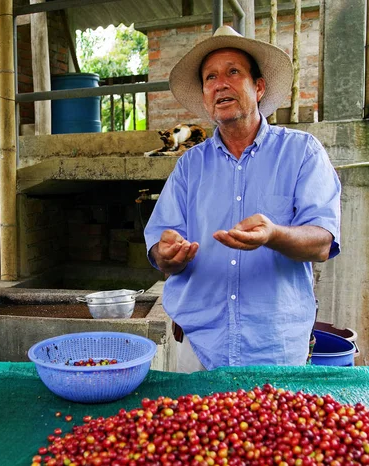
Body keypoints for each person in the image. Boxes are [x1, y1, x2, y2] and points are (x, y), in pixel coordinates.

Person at [144, 26, 341, 373]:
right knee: (193, 429)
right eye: (210, 77)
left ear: (258, 87)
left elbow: (323, 242)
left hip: (275, 343)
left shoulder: (301, 153)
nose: (221, 83)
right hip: (199, 344)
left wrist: (273, 235)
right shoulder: (190, 166)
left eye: (233, 71)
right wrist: (168, 254)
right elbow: (160, 250)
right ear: (206, 97)